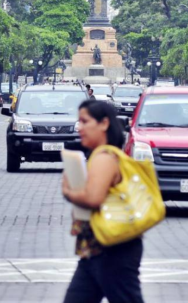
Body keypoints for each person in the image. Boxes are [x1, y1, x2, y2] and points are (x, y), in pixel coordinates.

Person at [61, 100, 144, 303]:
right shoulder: (103, 155)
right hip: (95, 247)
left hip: (113, 249)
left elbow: (93, 198)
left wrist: (69, 192)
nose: (79, 127)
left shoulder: (104, 157)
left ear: (104, 124)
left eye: (84, 121)